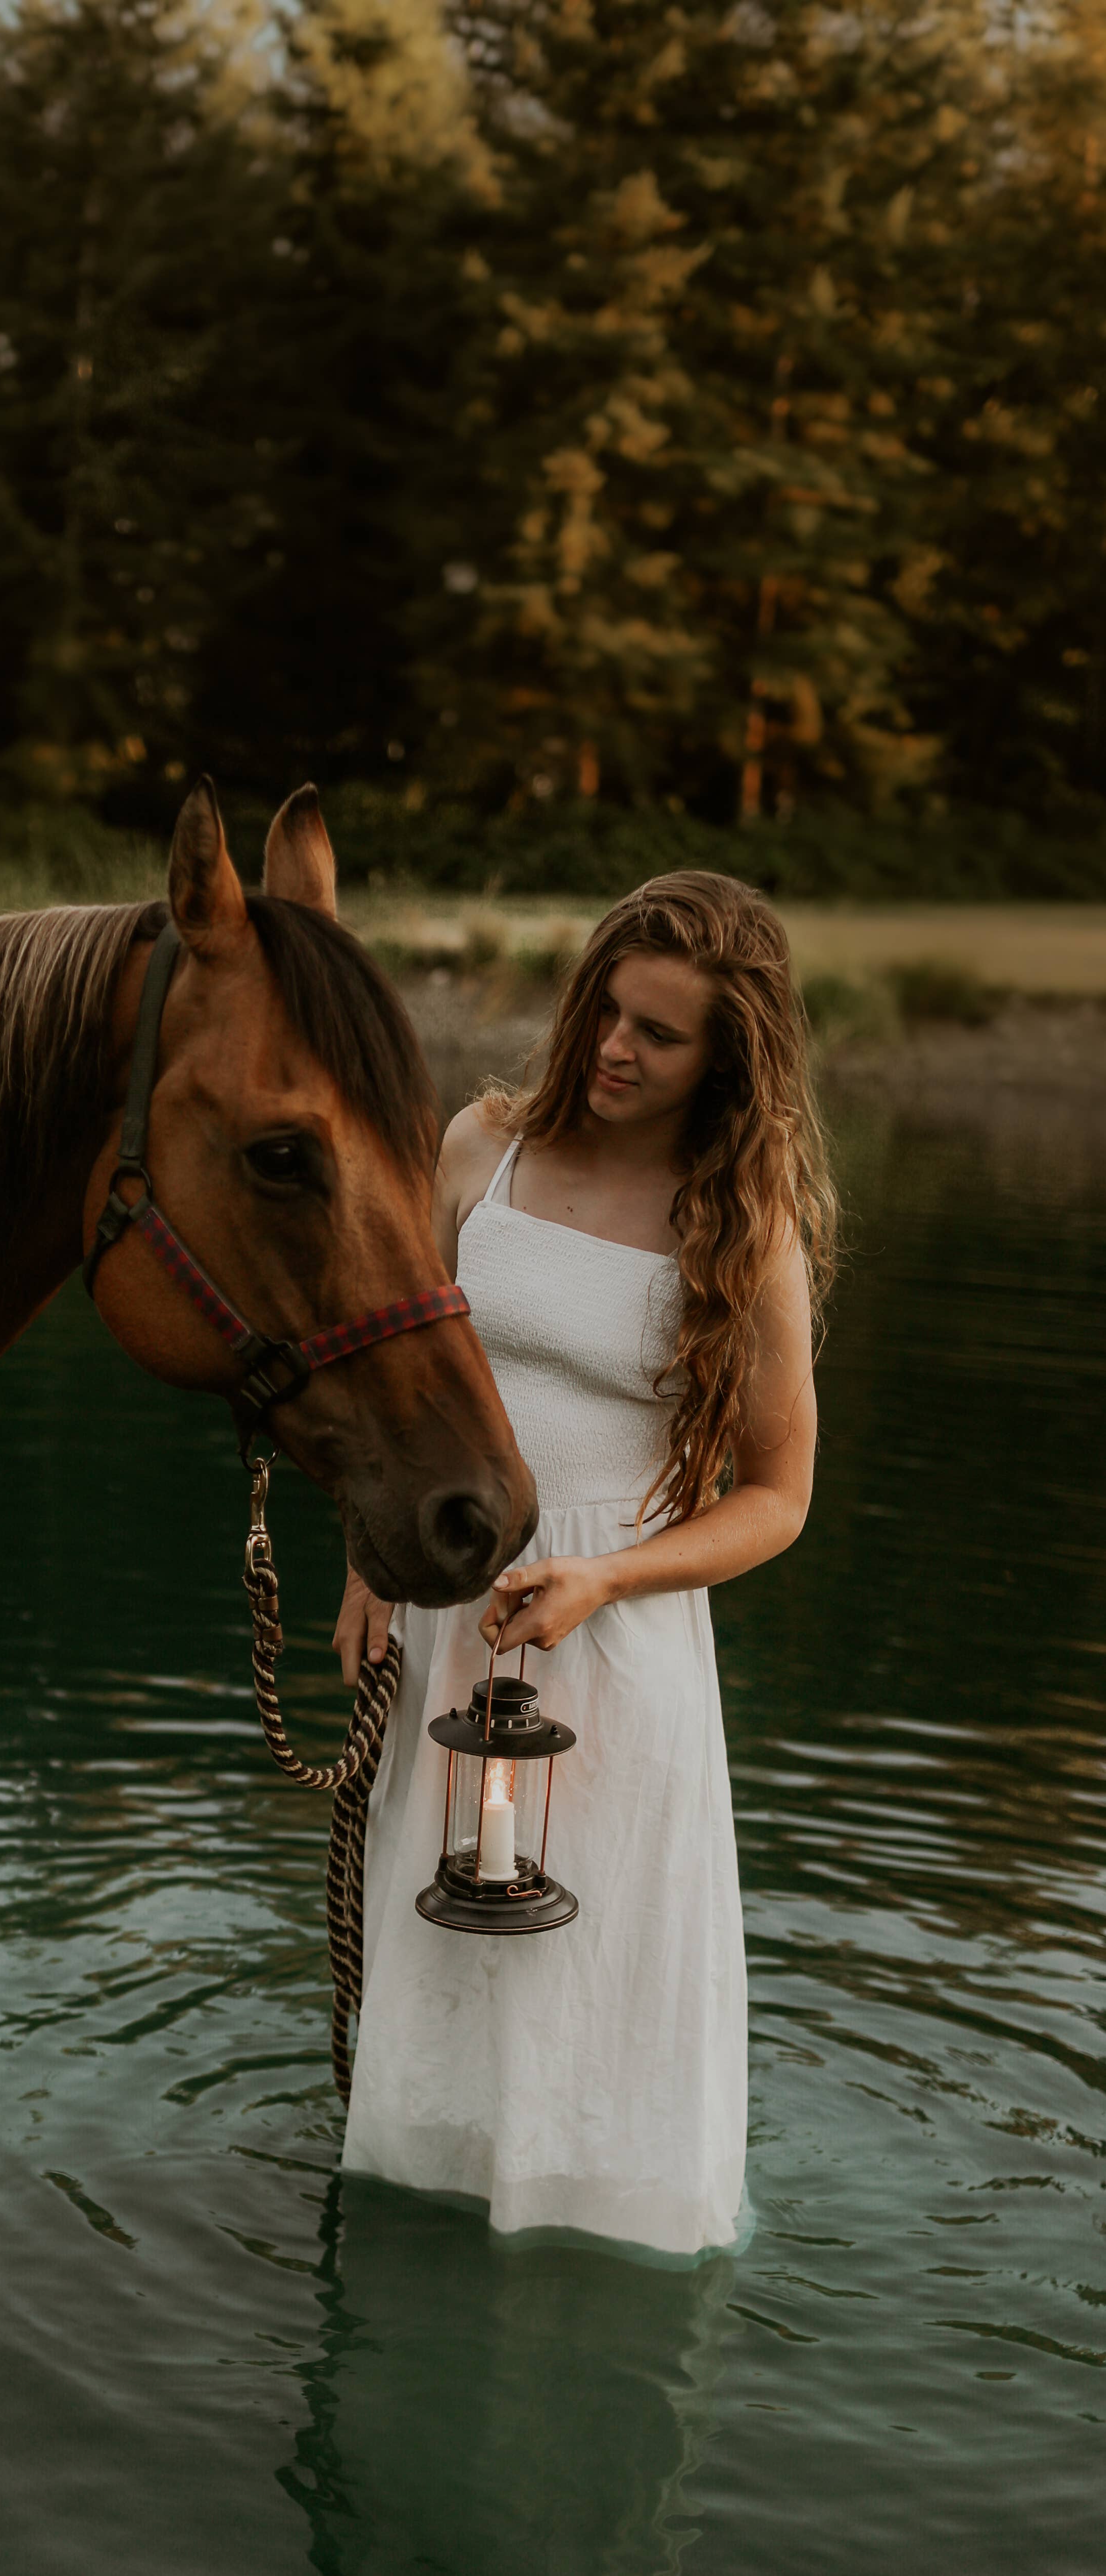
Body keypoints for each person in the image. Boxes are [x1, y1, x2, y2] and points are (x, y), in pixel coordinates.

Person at [333, 871, 835, 2256]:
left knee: (591, 1953)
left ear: (724, 1060)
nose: (613, 1046)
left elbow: (779, 1495)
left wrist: (604, 1581)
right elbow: (405, 1397)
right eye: (606, 1009)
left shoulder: (736, 1227)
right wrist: (373, 1563)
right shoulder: (478, 1148)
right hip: (456, 1601)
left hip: (615, 1623)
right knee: (439, 1924)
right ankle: (421, 2201)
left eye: (658, 1034)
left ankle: (593, 2231)